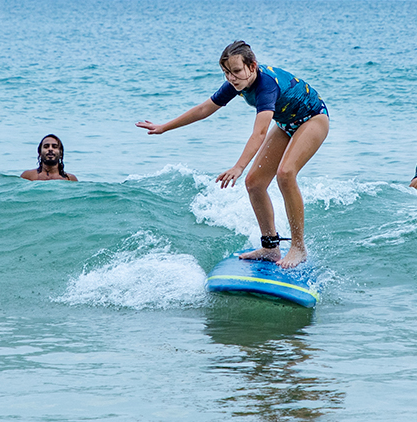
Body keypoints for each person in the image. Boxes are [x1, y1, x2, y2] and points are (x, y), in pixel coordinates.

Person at [137, 39, 328, 269]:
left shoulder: (266, 86)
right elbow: (203, 109)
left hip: (314, 118)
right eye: (227, 72)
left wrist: (238, 166)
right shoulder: (237, 84)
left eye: (236, 71)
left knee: (285, 174)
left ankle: (298, 247)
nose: (231, 78)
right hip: (287, 123)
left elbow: (258, 134)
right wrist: (164, 127)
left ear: (252, 66)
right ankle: (270, 247)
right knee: (254, 182)